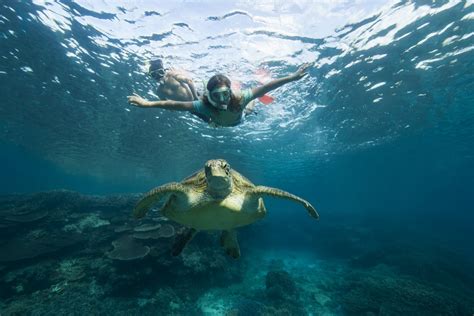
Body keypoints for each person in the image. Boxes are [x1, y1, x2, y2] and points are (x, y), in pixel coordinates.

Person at [128, 63, 312, 127]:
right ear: (209, 95)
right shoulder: (203, 105)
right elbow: (174, 105)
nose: (223, 99)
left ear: (230, 92)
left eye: (225, 94)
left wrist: (292, 77)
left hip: (242, 117)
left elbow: (268, 87)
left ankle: (243, 81)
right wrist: (147, 104)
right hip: (221, 123)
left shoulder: (239, 97)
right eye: (217, 96)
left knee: (252, 101)